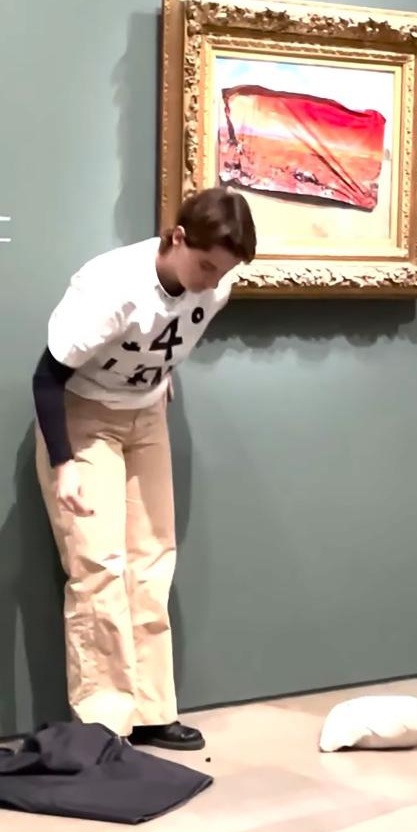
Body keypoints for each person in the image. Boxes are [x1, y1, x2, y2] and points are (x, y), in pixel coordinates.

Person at [32, 188, 256, 750]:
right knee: (98, 566)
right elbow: (46, 378)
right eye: (205, 265)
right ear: (177, 238)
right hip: (82, 416)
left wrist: (158, 376)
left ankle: (153, 710)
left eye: (222, 271)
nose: (210, 280)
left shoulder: (218, 285)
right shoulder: (110, 287)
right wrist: (65, 465)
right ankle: (105, 723)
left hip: (145, 416)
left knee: (152, 559)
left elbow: (169, 331)